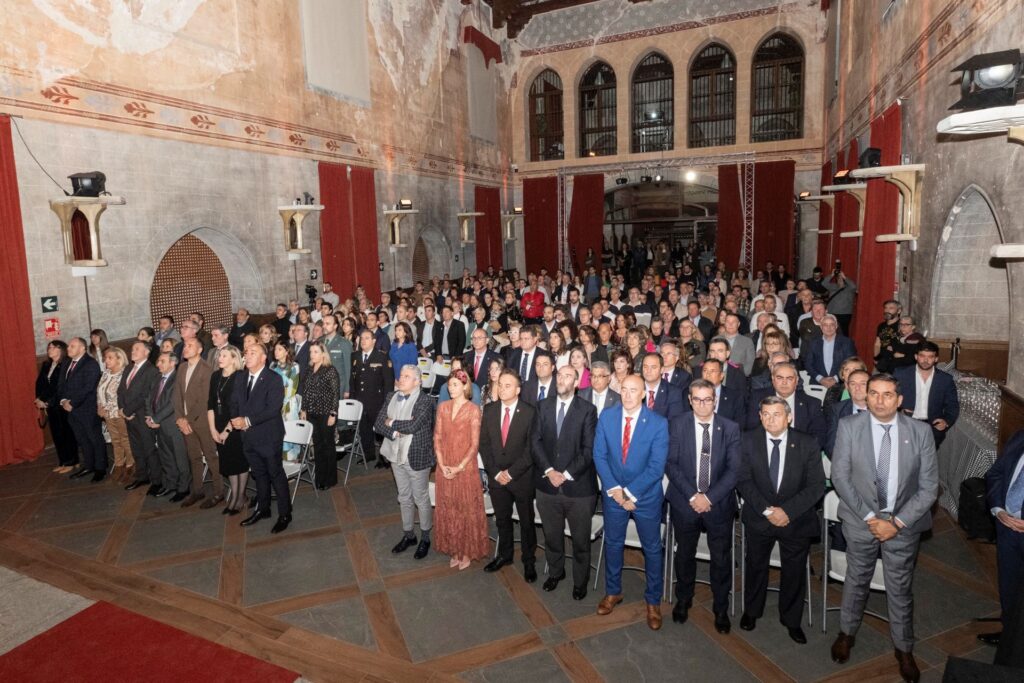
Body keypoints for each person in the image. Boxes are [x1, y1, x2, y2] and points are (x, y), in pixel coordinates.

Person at [830, 373, 938, 683]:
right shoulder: (850, 427)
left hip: (902, 524)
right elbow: (841, 477)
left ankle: (904, 648)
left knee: (900, 587)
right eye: (873, 393)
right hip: (860, 520)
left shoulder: (920, 432)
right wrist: (869, 518)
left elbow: (929, 488)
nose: (879, 400)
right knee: (856, 577)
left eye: (887, 394)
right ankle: (847, 633)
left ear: (900, 400)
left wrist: (897, 523)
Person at [737, 396, 825, 643]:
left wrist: (787, 512)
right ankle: (752, 611)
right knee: (755, 566)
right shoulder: (748, 439)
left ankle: (791, 619)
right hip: (759, 517)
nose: (770, 419)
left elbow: (817, 485)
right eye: (765, 414)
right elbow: (743, 479)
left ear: (789, 417)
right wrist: (767, 510)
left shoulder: (807, 443)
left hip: (795, 520)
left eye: (776, 414)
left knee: (794, 572)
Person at [593, 374, 669, 630]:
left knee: (652, 547)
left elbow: (656, 467)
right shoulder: (607, 416)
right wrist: (615, 490)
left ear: (643, 394)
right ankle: (613, 591)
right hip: (614, 494)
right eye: (623, 389)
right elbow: (599, 455)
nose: (627, 395)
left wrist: (631, 494)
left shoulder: (657, 423)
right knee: (613, 543)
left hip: (645, 497)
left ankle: (653, 600)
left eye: (633, 390)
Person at [666, 379, 741, 633]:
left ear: (715, 400)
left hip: (717, 505)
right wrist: (693, 495)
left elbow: (734, 471)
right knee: (684, 554)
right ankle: (683, 599)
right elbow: (671, 464)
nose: (702, 404)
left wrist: (708, 498)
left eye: (707, 399)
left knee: (720, 558)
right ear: (689, 400)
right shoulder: (678, 424)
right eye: (697, 399)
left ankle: (720, 607)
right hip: (685, 502)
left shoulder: (730, 428)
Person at [533, 365, 599, 599]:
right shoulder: (543, 406)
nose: (561, 379)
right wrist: (550, 471)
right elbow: (535, 443)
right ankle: (556, 572)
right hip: (547, 486)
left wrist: (566, 474)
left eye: (567, 376)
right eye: (559, 375)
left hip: (578, 488)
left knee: (580, 540)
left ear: (577, 381)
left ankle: (580, 581)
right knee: (552, 536)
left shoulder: (588, 410)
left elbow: (589, 450)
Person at [479, 369, 538, 582]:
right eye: (500, 384)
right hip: (496, 478)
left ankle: (529, 561)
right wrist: (495, 472)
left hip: (521, 478)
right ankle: (504, 555)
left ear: (518, 390)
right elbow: (484, 445)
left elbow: (531, 450)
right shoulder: (490, 410)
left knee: (526, 522)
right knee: (502, 520)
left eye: (508, 385)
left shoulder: (530, 412)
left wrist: (511, 473)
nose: (502, 389)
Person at [375, 365, 436, 558]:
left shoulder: (425, 401)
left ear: (417, 382)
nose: (401, 379)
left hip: (416, 456)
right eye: (401, 375)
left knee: (421, 498)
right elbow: (378, 423)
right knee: (404, 497)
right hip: (395, 454)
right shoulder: (391, 396)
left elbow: (413, 425)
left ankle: (425, 537)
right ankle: (409, 534)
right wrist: (394, 431)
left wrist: (391, 422)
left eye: (407, 376)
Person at [231, 343, 291, 534]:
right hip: (248, 436)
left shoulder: (273, 379)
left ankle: (285, 514)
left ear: (264, 358)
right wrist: (235, 419)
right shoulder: (240, 377)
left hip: (268, 436)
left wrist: (246, 420)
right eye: (246, 352)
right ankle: (263, 509)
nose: (247, 356)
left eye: (252, 353)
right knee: (258, 474)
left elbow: (273, 409)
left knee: (275, 474)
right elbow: (233, 401)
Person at [433, 369, 488, 570]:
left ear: (465, 386)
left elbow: (474, 444)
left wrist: (459, 467)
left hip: (465, 467)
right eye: (450, 384)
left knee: (464, 508)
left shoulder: (473, 410)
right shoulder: (443, 407)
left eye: (455, 384)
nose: (451, 387)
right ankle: (454, 549)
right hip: (444, 464)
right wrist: (441, 463)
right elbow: (437, 436)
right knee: (448, 507)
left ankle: (466, 551)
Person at [980, 429, 1024, 654]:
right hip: (1007, 530)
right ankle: (1009, 638)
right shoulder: (1019, 436)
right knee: (1009, 587)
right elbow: (995, 474)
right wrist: (998, 510)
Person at [172, 337, 223, 508]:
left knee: (211, 456)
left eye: (190, 345)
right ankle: (198, 490)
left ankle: (218, 492)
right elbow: (177, 395)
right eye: (185, 345)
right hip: (185, 421)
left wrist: (186, 419)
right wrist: (179, 418)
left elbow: (204, 400)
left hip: (201, 421)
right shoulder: (182, 367)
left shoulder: (206, 369)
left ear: (200, 350)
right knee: (193, 457)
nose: (185, 348)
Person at [746, 362, 827, 451]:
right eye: (779, 378)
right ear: (773, 379)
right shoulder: (758, 398)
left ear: (796, 381)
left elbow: (819, 435)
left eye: (789, 378)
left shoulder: (811, 403)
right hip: (765, 452)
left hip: (800, 454)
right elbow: (751, 429)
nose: (784, 382)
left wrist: (804, 454)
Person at [894, 341, 960, 449]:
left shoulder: (945, 379)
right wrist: (899, 411)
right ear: (916, 356)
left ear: (936, 359)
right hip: (905, 425)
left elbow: (953, 405)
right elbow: (890, 398)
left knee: (927, 464)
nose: (926, 360)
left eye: (930, 357)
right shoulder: (901, 374)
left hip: (932, 429)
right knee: (904, 462)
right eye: (922, 356)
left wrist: (946, 421)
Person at [208, 345, 248, 515]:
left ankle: (239, 498)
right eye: (219, 355)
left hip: (235, 426)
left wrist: (227, 430)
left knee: (239, 461)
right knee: (228, 463)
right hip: (218, 423)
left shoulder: (240, 376)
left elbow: (241, 407)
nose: (220, 358)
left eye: (224, 355)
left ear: (234, 358)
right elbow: (210, 404)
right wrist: (212, 429)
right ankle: (234, 496)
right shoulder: (216, 376)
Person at [58, 337, 106, 482]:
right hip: (71, 410)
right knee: (82, 440)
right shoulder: (66, 363)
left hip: (87, 409)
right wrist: (63, 400)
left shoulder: (90, 364)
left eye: (73, 346)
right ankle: (89, 465)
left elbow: (89, 387)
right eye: (69, 346)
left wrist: (73, 402)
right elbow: (61, 385)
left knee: (94, 439)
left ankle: (100, 468)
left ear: (82, 349)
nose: (69, 348)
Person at [146, 351, 190, 500]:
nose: (158, 364)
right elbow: (149, 398)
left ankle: (183, 488)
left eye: (162, 361)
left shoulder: (178, 378)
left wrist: (156, 419)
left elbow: (173, 403)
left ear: (173, 363)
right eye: (158, 361)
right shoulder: (157, 378)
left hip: (173, 425)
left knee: (180, 458)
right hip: (159, 425)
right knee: (166, 457)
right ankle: (171, 484)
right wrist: (150, 417)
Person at [299, 341, 340, 490]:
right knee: (317, 445)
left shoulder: (330, 370)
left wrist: (333, 414)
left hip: (326, 413)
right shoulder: (310, 369)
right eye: (311, 352)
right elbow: (306, 391)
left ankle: (330, 479)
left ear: (323, 353)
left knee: (327, 445)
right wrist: (303, 409)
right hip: (312, 413)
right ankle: (320, 477)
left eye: (315, 352)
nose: (312, 355)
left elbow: (336, 394)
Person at [120, 340, 160, 491]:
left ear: (147, 352)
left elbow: (146, 395)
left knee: (149, 449)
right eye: (132, 348)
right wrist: (122, 409)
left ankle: (157, 481)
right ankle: (142, 477)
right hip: (128, 415)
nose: (133, 351)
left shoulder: (152, 370)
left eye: (137, 349)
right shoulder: (128, 368)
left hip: (141, 415)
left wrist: (129, 410)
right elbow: (121, 391)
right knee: (136, 448)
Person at [34, 340, 78, 473]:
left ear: (61, 349)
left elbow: (59, 388)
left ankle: (72, 461)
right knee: (56, 434)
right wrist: (39, 398)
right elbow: (40, 383)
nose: (50, 349)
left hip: (61, 404)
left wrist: (47, 401)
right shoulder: (47, 364)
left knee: (67, 433)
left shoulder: (65, 364)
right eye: (49, 347)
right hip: (50, 405)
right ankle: (63, 461)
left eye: (53, 347)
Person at [352, 329, 393, 468]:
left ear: (374, 341)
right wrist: (353, 399)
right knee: (364, 429)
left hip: (377, 400)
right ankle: (368, 454)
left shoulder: (382, 357)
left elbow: (388, 382)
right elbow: (353, 380)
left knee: (381, 430)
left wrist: (387, 403)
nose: (363, 341)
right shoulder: (355, 356)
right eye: (361, 338)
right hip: (360, 400)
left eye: (367, 338)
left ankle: (384, 457)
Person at [97, 346, 132, 483]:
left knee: (125, 439)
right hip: (107, 414)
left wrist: (113, 409)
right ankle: (119, 465)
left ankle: (130, 465)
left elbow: (125, 396)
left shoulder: (125, 374)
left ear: (119, 359)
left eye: (110, 358)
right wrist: (100, 406)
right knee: (115, 440)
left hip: (119, 413)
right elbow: (99, 391)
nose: (106, 361)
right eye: (106, 358)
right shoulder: (106, 373)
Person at [802, 315, 857, 387]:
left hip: (840, 384)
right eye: (825, 325)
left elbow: (851, 364)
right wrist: (820, 379)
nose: (829, 328)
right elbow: (808, 364)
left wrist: (835, 379)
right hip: (817, 384)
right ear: (821, 327)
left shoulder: (847, 342)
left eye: (832, 324)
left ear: (836, 326)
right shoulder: (813, 343)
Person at [825, 369, 870, 457]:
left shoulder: (881, 409)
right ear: (847, 386)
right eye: (853, 384)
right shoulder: (837, 410)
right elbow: (831, 445)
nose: (857, 388)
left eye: (863, 384)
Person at [271, 339, 302, 460]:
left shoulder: (294, 366)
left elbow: (291, 388)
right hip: (274, 404)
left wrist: (280, 403)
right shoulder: (272, 366)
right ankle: (281, 465)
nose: (276, 352)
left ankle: (293, 462)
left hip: (288, 405)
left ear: (287, 351)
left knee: (289, 434)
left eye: (279, 349)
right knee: (277, 435)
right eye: (275, 349)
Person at [640, 353, 684, 420]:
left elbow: (674, 423)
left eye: (653, 367)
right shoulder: (635, 388)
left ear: (662, 369)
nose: (648, 371)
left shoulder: (673, 392)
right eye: (645, 367)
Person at [321, 314, 352, 398]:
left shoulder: (344, 343)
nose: (324, 326)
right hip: (320, 386)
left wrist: (347, 389)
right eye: (323, 323)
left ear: (335, 326)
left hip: (337, 387)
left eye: (327, 324)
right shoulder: (319, 341)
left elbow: (348, 368)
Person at [873, 300, 902, 373]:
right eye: (886, 308)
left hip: (896, 364)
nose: (887, 310)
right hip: (881, 362)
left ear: (899, 311)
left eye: (891, 308)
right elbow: (877, 343)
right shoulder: (881, 326)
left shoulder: (902, 326)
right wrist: (876, 358)